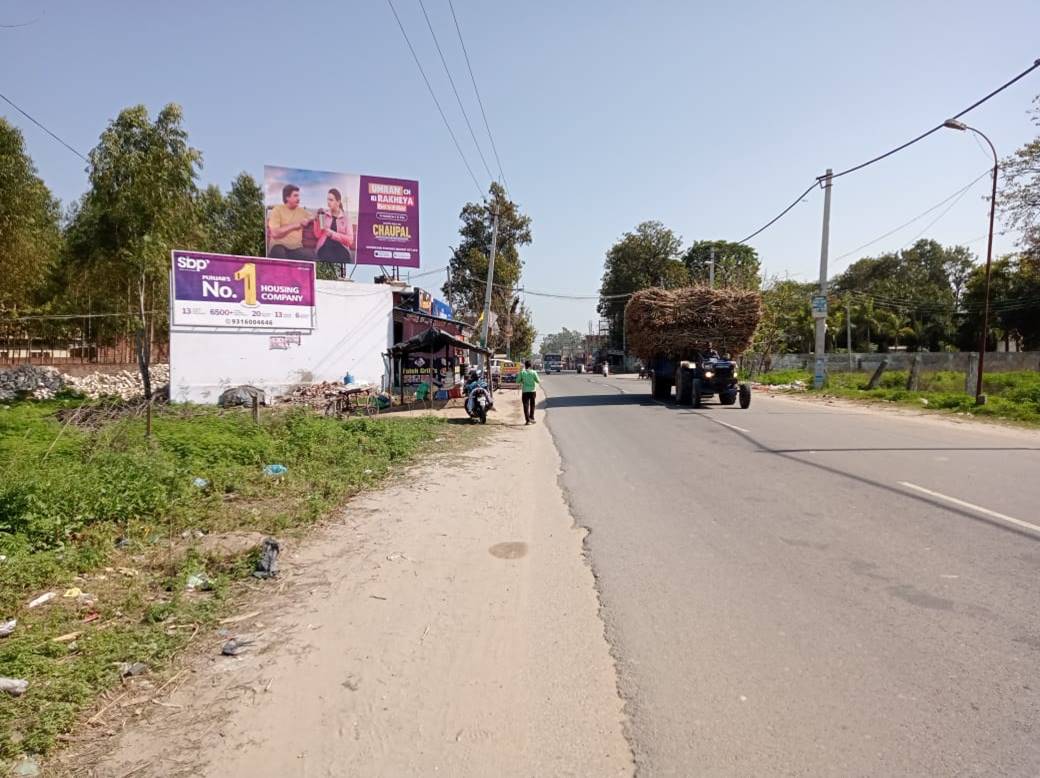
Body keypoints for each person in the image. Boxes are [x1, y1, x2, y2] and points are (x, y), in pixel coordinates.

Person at [267, 184, 315, 259]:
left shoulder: (302, 211)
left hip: (296, 249)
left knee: (311, 255)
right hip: (279, 247)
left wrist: (308, 219)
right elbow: (275, 233)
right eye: (295, 196)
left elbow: (312, 216)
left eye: (298, 196)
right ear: (287, 197)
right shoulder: (277, 210)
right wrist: (295, 225)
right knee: (279, 253)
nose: (298, 199)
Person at [314, 188, 355, 263]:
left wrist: (332, 234)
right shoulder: (324, 215)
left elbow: (350, 240)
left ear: (338, 202)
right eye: (328, 199)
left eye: (331, 200)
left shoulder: (346, 219)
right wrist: (317, 220)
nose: (328, 202)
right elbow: (317, 235)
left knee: (339, 258)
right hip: (325, 247)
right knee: (327, 255)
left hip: (341, 249)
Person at [518, 359, 540, 425]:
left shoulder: (522, 372)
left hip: (525, 391)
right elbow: (538, 381)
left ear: (525, 365)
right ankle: (532, 418)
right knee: (532, 405)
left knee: (525, 406)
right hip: (532, 391)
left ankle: (527, 421)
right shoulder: (534, 372)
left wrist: (522, 381)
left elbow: (517, 381)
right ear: (531, 365)